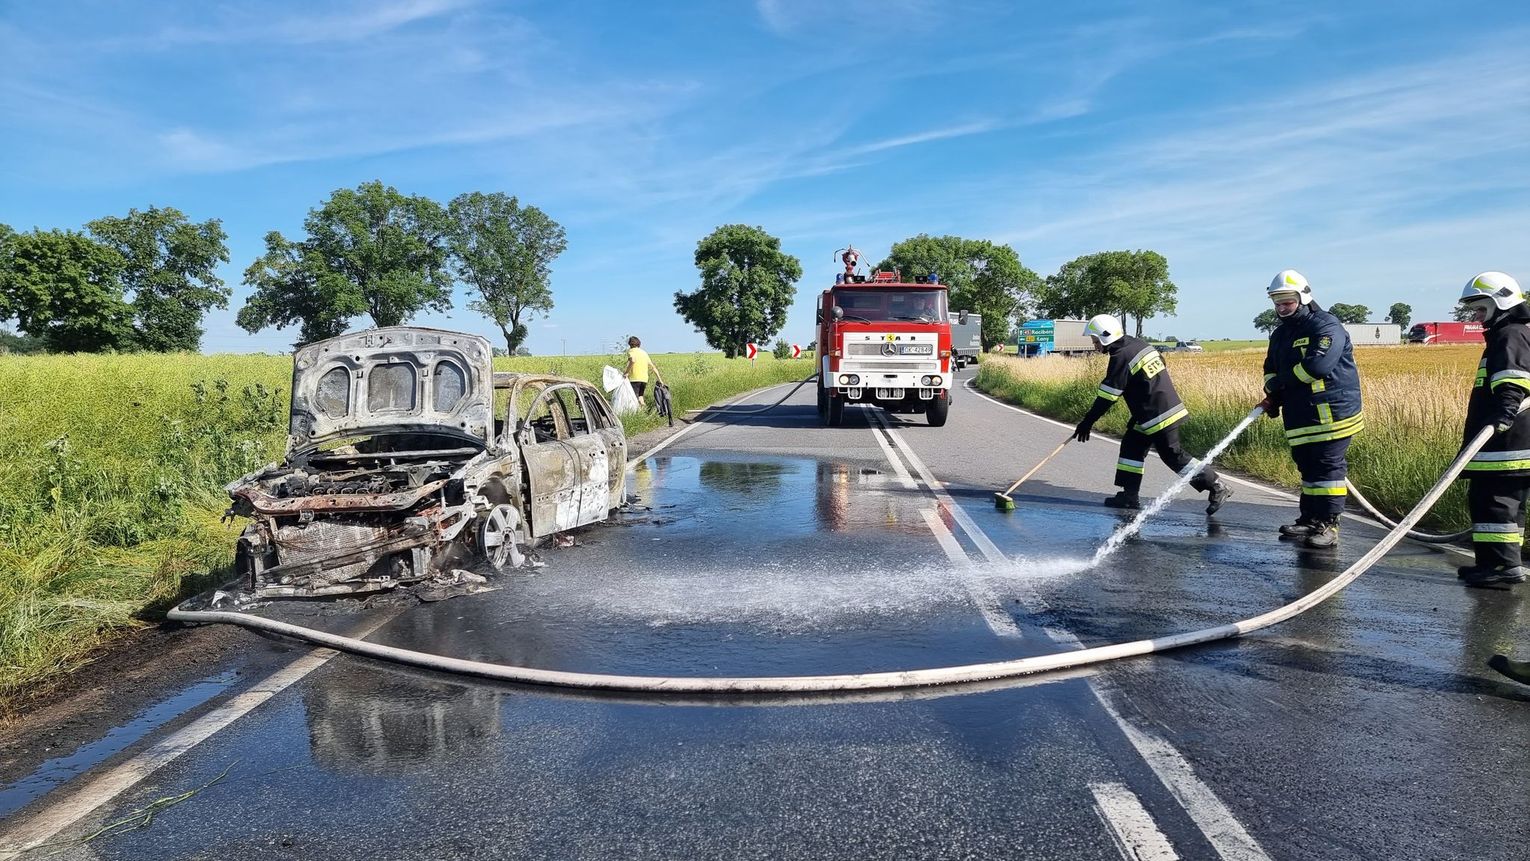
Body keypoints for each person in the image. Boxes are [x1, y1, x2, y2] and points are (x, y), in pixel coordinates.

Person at [1072, 314, 1231, 513]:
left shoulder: (1121, 356)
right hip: (1153, 410)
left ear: (1106, 337)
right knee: (1132, 446)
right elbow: (1161, 362)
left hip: (1158, 413)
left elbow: (1108, 396)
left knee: (1172, 454)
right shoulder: (1137, 344)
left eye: (1095, 340)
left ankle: (1216, 486)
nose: (1094, 345)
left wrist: (1087, 422)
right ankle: (1129, 496)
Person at [1258, 270, 1363, 548]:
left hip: (1332, 413)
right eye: (1277, 302)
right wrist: (1273, 392)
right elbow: (1270, 368)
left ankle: (1329, 524)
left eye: (1287, 301)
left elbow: (1318, 366)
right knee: (1307, 467)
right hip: (1300, 413)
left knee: (1327, 469)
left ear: (1303, 297)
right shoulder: (1280, 334)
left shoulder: (1326, 326)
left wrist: (1281, 384)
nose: (1282, 308)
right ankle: (1310, 519)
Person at [1454, 271, 1530, 586]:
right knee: (1505, 508)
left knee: (1495, 505)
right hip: (1507, 444)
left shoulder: (1510, 334)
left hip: (1506, 444)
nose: (1476, 315)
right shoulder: (1511, 333)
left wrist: (1504, 415)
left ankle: (1501, 567)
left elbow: (1513, 379)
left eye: (1481, 308)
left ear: (1501, 302)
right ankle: (1496, 563)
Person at [624, 336, 664, 403]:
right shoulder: (644, 353)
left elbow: (633, 360)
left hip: (634, 378)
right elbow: (653, 367)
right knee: (640, 396)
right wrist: (660, 380)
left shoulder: (631, 351)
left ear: (630, 344)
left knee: (634, 398)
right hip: (644, 379)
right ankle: (643, 408)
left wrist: (626, 372)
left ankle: (637, 409)